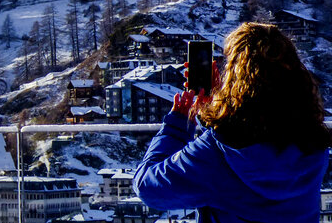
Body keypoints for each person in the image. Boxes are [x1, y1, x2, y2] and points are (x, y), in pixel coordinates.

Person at [133, 22, 330, 222]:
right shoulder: (314, 147)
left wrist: (178, 125)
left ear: (234, 79)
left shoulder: (216, 153)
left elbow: (148, 188)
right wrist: (216, 115)